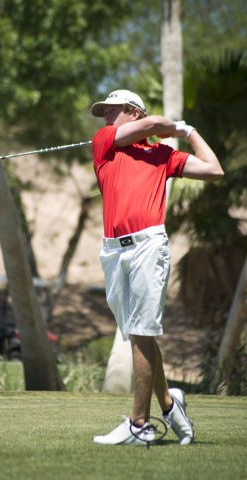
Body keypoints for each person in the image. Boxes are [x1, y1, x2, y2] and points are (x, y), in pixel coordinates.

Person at [90, 89, 224, 446]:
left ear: (132, 113)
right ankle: (169, 402)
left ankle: (139, 426)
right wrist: (168, 126)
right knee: (138, 334)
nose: (105, 116)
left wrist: (187, 131)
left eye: (113, 110)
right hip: (113, 252)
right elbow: (153, 123)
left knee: (142, 331)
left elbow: (214, 170)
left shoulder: (163, 155)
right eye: (104, 112)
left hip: (149, 244)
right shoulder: (105, 143)